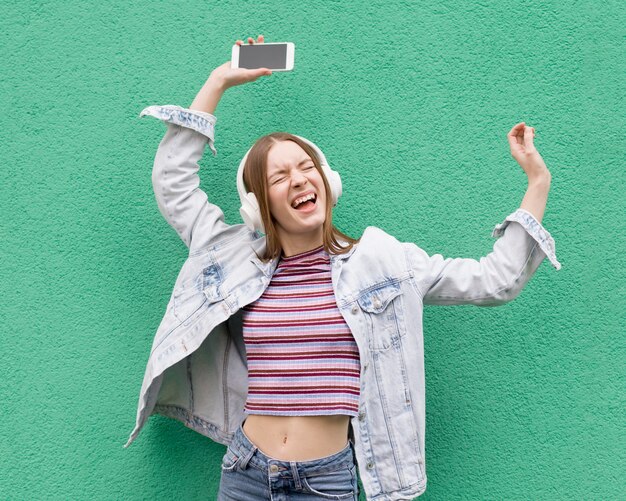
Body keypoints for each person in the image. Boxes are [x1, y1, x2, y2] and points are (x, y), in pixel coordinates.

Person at [125, 35, 561, 500]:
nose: (299, 179)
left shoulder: (384, 263)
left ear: (326, 180)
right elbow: (173, 184)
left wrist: (538, 182)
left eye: (306, 166)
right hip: (245, 471)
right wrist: (218, 82)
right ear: (258, 205)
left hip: (326, 481)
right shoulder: (234, 258)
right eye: (279, 176)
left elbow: (495, 281)